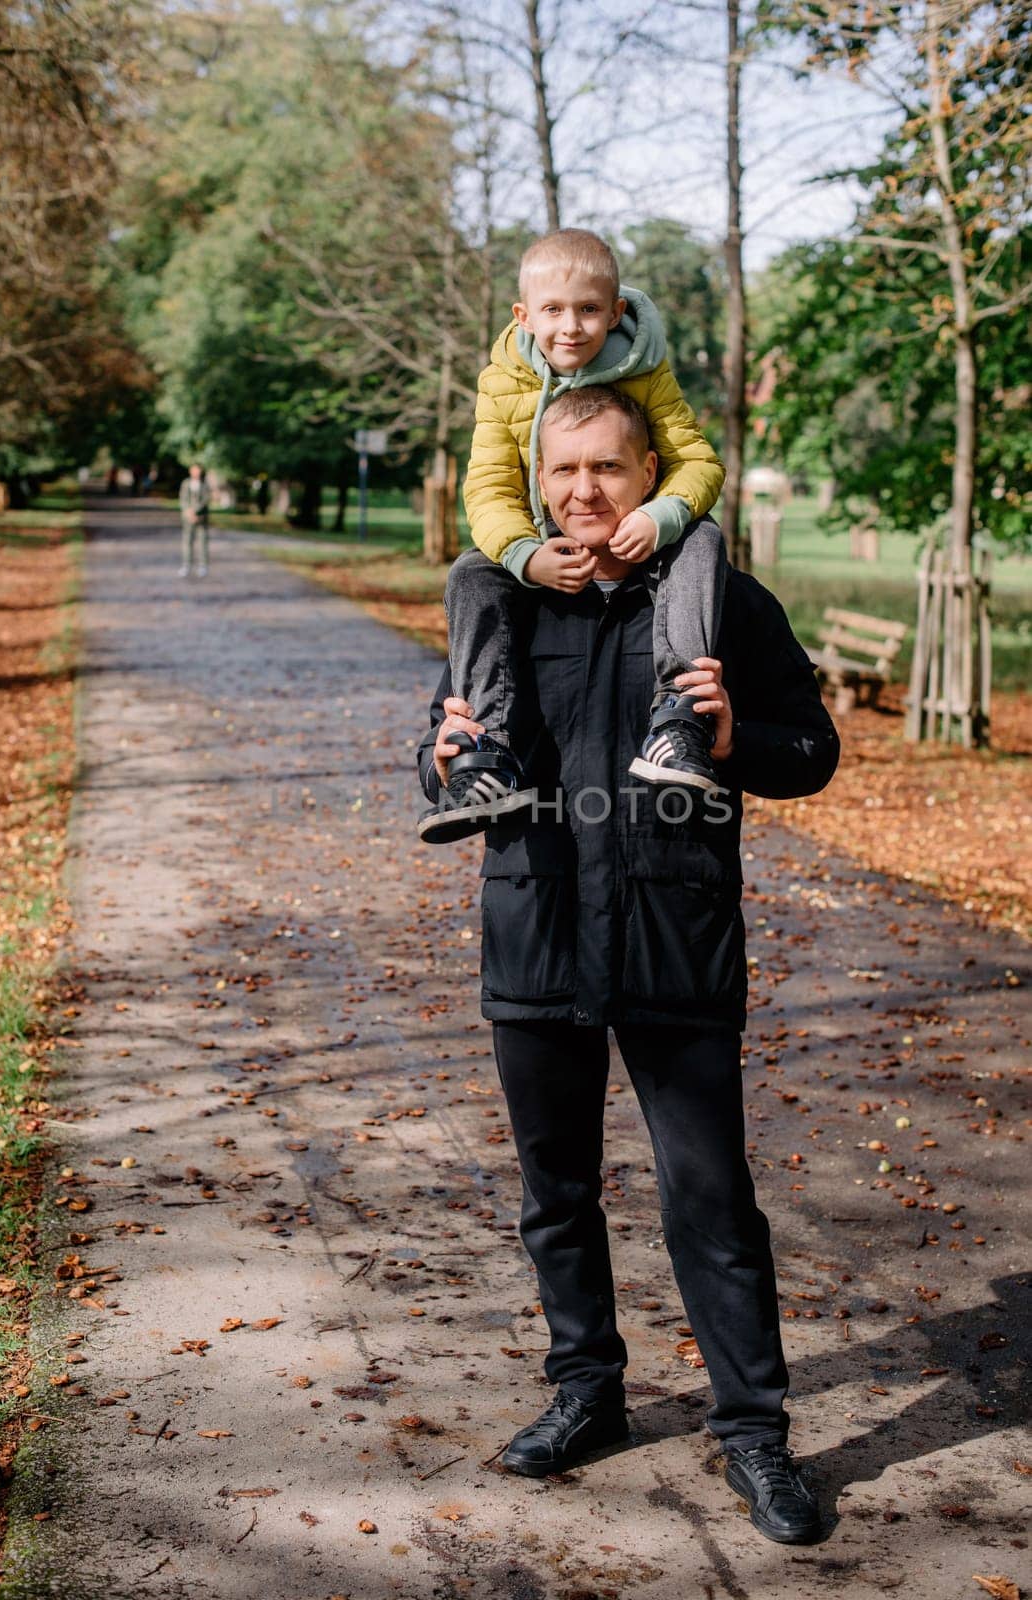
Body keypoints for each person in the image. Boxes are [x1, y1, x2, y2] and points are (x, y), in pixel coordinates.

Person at [416, 386, 840, 1545]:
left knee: (710, 1200)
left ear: (650, 470)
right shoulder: (503, 602)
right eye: (565, 471)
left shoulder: (719, 605)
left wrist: (730, 737)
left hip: (675, 941)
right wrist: (441, 752)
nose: (585, 493)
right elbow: (440, 749)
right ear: (536, 477)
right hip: (536, 932)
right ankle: (587, 1391)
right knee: (557, 1194)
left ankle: (754, 1431)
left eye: (609, 468)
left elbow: (814, 751)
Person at [419, 228, 727, 846]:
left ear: (616, 312)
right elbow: (487, 489)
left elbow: (699, 463)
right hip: (533, 546)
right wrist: (526, 557)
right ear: (523, 315)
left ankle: (680, 716)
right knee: (470, 572)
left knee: (703, 539)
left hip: (642, 539)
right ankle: (488, 747)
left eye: (589, 310)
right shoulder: (501, 382)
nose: (571, 327)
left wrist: (661, 514)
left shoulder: (645, 371)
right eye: (553, 310)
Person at [178, 463, 211, 578]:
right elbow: (182, 499)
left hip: (201, 517)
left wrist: (196, 512)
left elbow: (205, 500)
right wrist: (188, 511)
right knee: (187, 541)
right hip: (187, 517)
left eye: (198, 470)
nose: (196, 472)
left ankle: (203, 565)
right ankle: (186, 565)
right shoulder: (186, 483)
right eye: (194, 470)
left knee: (203, 541)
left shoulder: (204, 485)